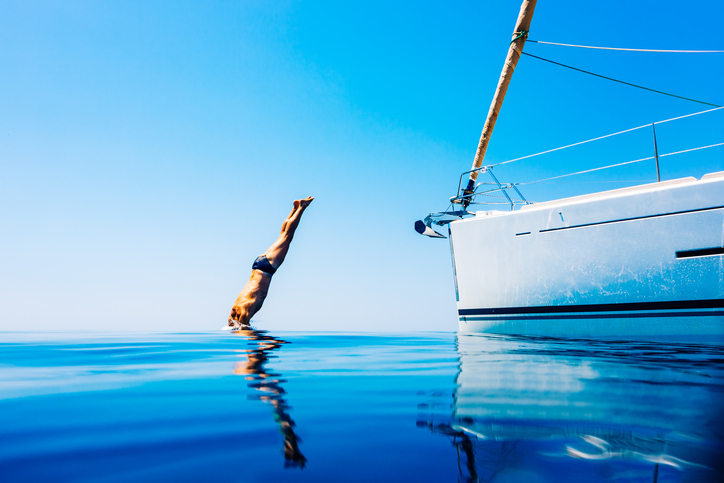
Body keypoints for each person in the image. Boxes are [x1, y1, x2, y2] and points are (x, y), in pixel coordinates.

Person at [228, 196, 313, 329]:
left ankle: (301, 207)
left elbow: (244, 330)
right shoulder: (234, 312)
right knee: (283, 235)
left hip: (267, 268)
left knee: (287, 236)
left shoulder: (243, 311)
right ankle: (295, 208)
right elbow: (232, 326)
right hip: (258, 266)